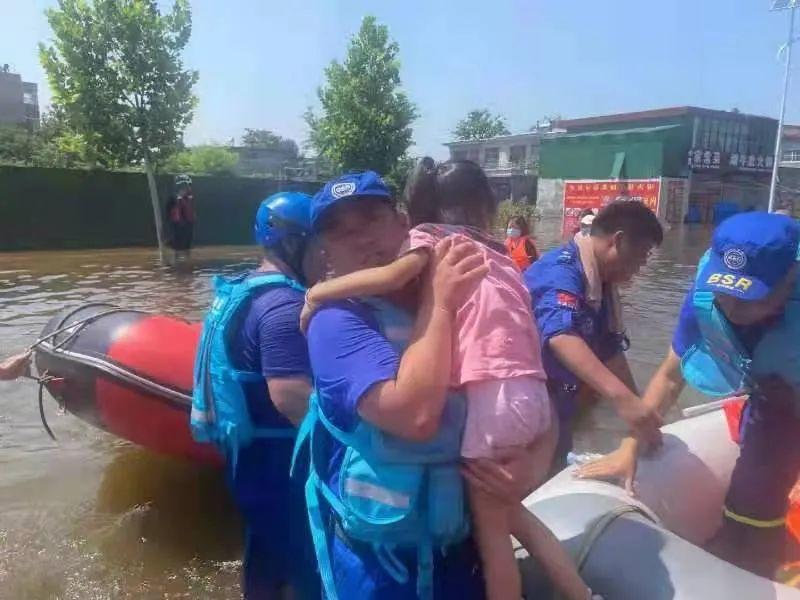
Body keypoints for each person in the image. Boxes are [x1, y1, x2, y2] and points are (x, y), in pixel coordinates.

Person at [301, 163, 594, 600]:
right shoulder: (337, 322)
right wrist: (439, 302)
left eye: (373, 220)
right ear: (325, 253)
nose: (362, 238)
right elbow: (415, 417)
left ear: (404, 223)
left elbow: (531, 382)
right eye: (341, 231)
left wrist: (531, 467)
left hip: (462, 548)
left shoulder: (466, 289)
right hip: (385, 568)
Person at [577, 211, 800, 578]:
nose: (731, 308)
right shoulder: (707, 299)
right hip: (772, 403)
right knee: (747, 503)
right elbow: (668, 377)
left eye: (749, 299)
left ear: (789, 279)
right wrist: (630, 446)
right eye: (725, 293)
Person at [191, 191, 319, 599]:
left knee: (264, 557)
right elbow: (290, 396)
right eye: (319, 242)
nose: (326, 254)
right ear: (294, 243)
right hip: (280, 466)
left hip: (246, 458)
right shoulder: (284, 306)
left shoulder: (245, 288)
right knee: (309, 569)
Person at [526, 201, 664, 471]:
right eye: (642, 254)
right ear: (618, 241)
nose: (641, 266)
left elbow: (610, 351)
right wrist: (622, 400)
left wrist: (639, 412)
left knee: (555, 469)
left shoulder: (601, 287)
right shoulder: (562, 271)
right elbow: (560, 336)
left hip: (563, 405)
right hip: (532, 408)